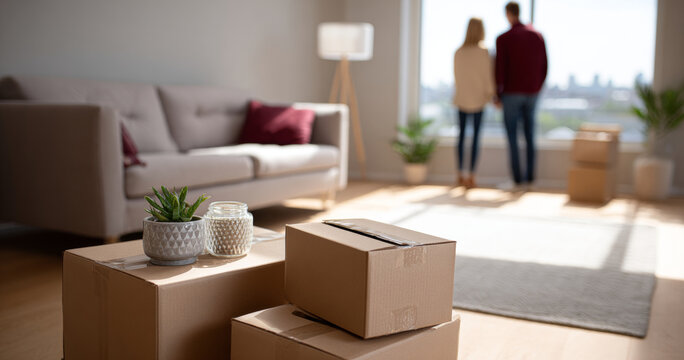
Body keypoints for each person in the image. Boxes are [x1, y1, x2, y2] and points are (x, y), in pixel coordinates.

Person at [495, 1, 547, 190]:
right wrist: (537, 87)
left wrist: (497, 95)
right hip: (532, 93)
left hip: (510, 93)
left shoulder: (503, 38)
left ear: (508, 14)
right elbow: (544, 66)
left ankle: (517, 180)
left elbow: (500, 69)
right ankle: (530, 179)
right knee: (530, 135)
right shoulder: (537, 36)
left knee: (512, 137)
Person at [453, 18, 494, 188]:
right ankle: (472, 176)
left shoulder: (459, 52)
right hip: (478, 99)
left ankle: (460, 174)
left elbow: (456, 76)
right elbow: (488, 77)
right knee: (475, 138)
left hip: (461, 98)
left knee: (461, 137)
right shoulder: (484, 52)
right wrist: (491, 95)